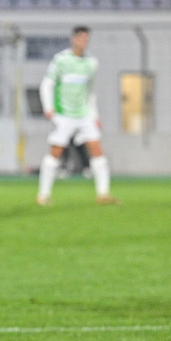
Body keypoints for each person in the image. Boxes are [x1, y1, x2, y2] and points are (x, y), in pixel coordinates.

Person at [37, 26, 117, 206]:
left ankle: (103, 194)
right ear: (73, 39)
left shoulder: (91, 63)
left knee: (97, 150)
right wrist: (48, 108)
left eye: (86, 39)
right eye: (80, 38)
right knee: (55, 152)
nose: (83, 42)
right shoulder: (61, 60)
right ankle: (43, 194)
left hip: (84, 115)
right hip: (64, 115)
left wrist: (94, 114)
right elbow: (47, 84)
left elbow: (90, 91)